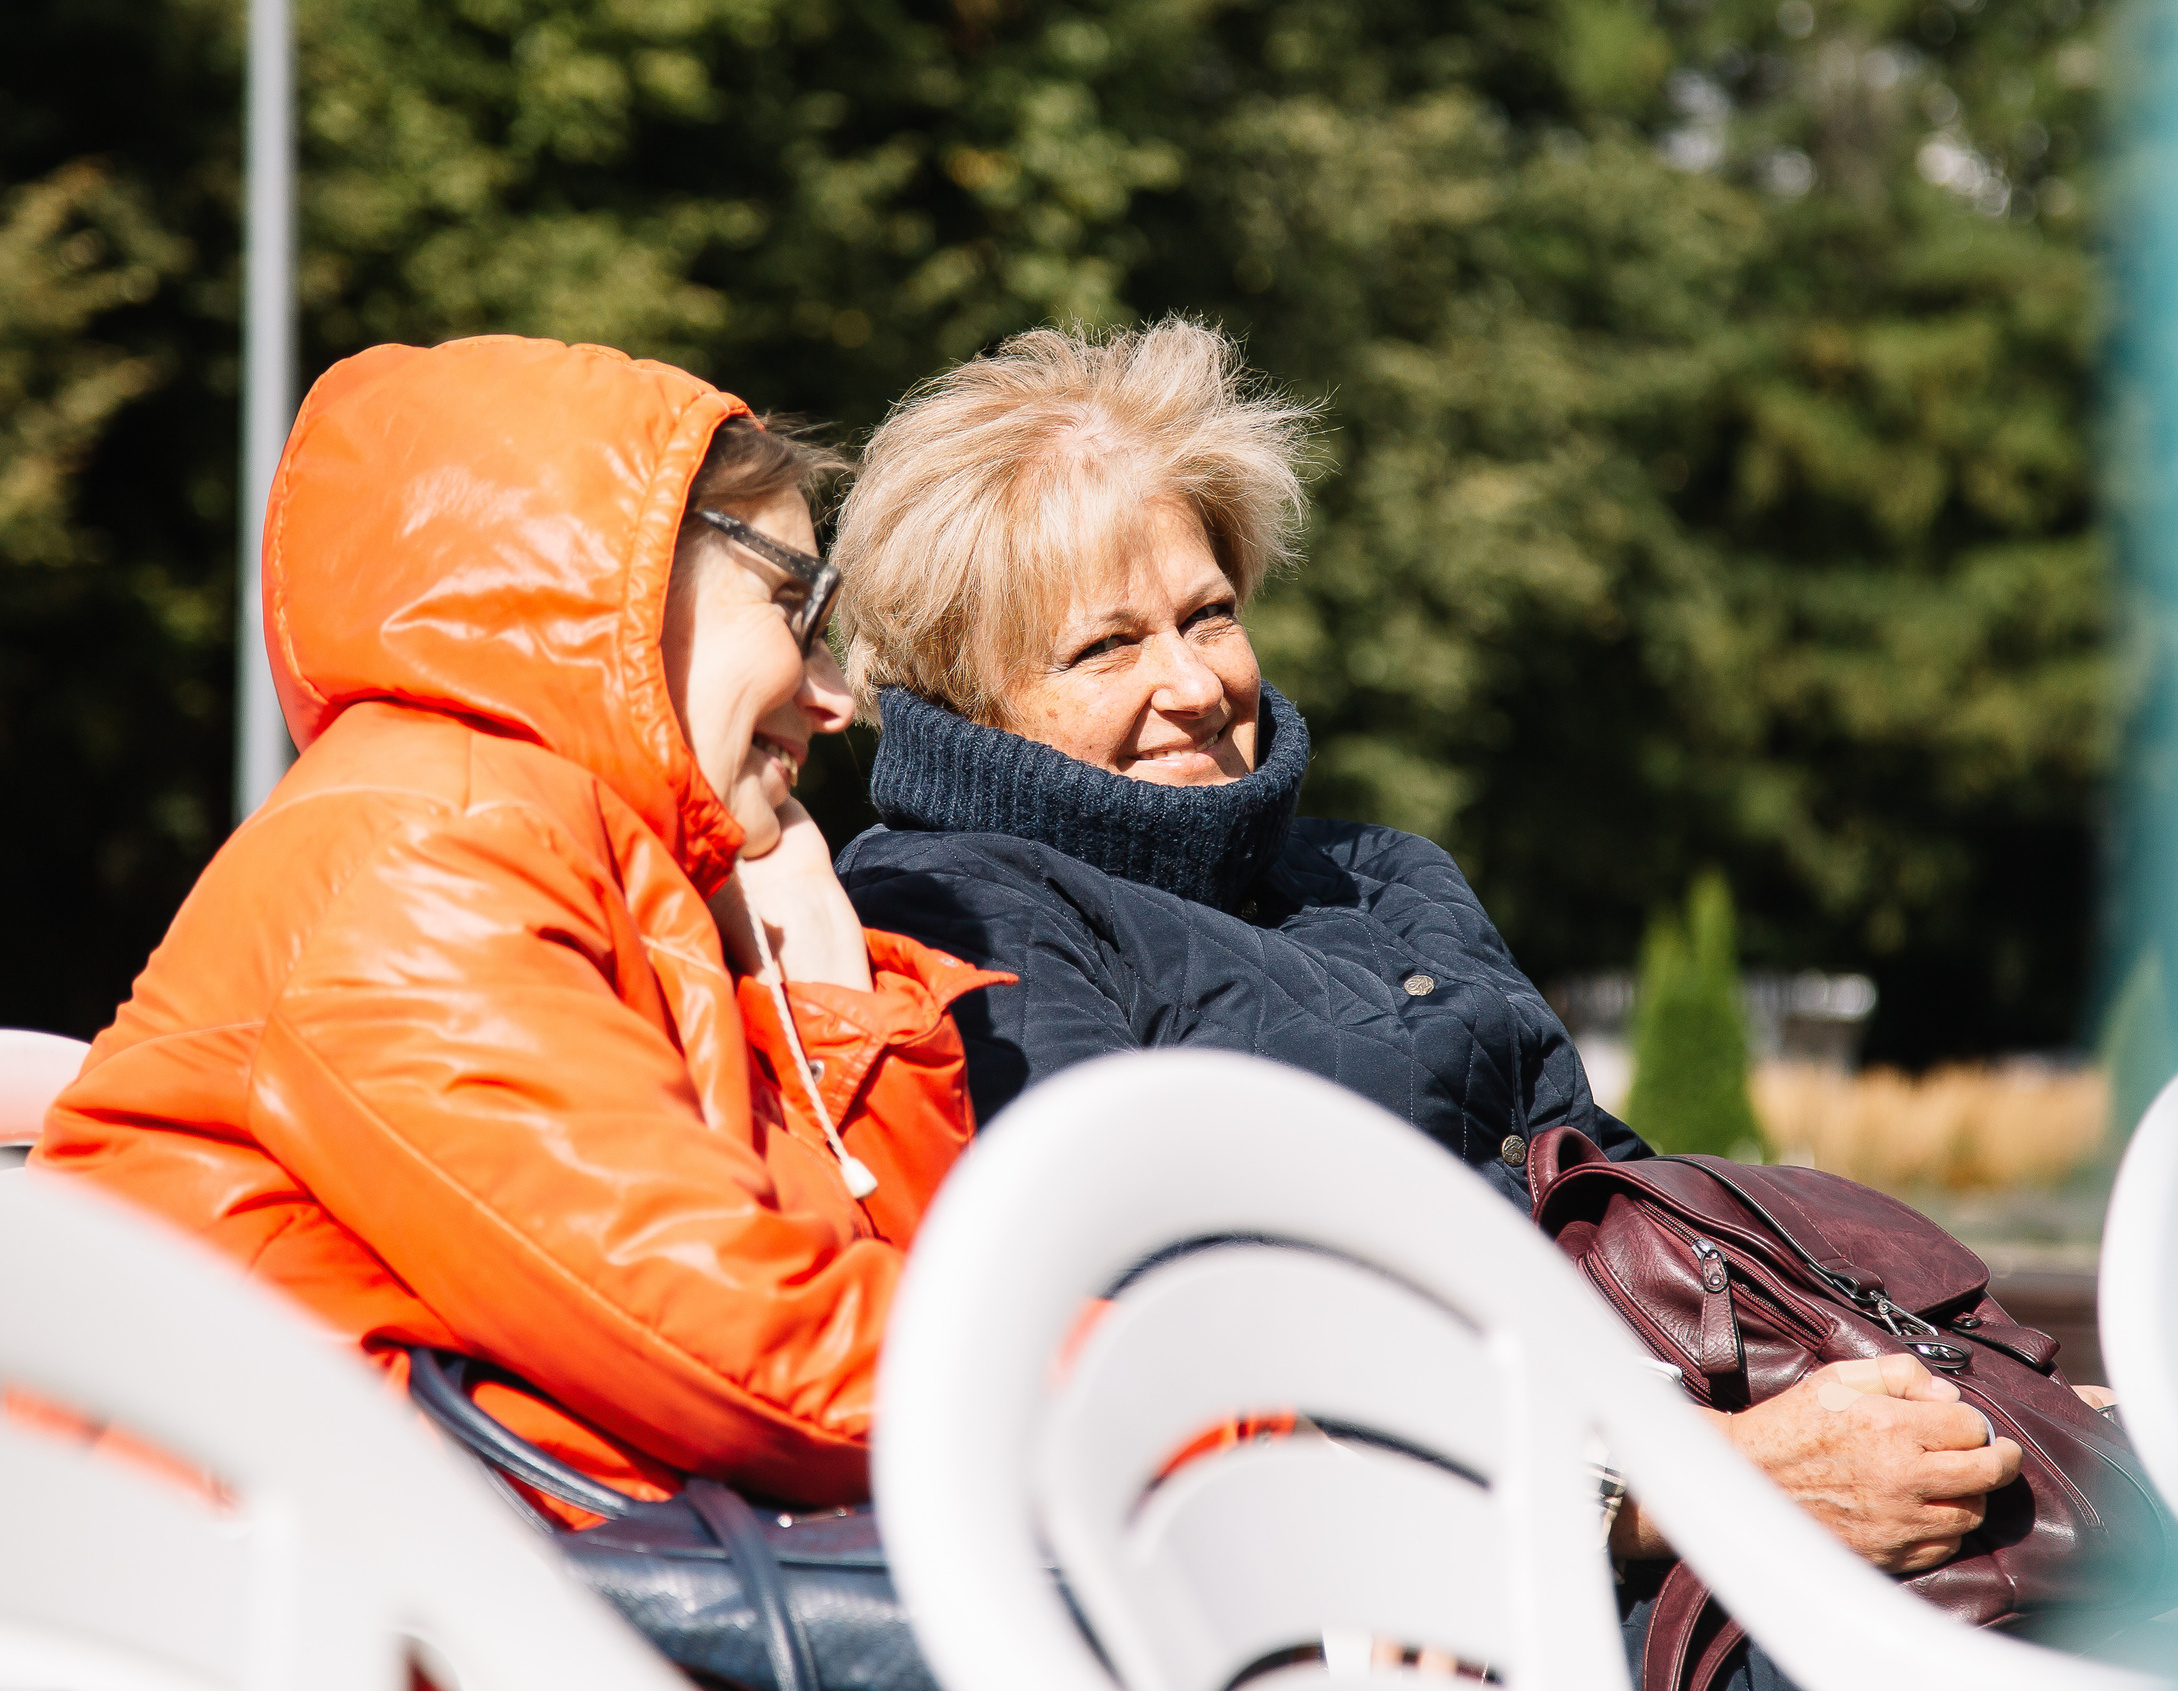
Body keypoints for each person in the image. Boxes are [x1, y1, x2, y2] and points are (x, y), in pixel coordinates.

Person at [828, 319, 2048, 1654]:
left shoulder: (1385, 873)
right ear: (966, 700)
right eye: (1104, 647)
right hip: (1425, 1589)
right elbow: (1159, 1340)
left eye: (1209, 612)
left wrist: (1895, 1385)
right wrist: (1690, 1487)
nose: (1190, 680)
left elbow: (1621, 1214)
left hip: (1657, 1456)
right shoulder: (956, 906)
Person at [39, 335, 1006, 1510]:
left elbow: (860, 1275)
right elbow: (752, 1345)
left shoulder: (585, 868)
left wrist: (828, 992)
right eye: (794, 606)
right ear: (616, 577)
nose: (836, 695)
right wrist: (1186, 1391)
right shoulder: (423, 852)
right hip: (301, 1618)